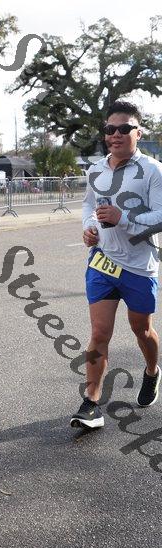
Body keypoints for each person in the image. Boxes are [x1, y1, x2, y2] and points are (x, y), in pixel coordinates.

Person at [71, 100, 162, 429]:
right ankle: (91, 402)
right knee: (99, 332)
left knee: (142, 330)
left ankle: (152, 370)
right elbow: (88, 206)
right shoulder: (96, 170)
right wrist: (88, 228)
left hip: (139, 266)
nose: (116, 134)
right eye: (110, 129)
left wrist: (123, 218)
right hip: (103, 262)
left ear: (138, 132)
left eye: (124, 128)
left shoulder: (153, 170)